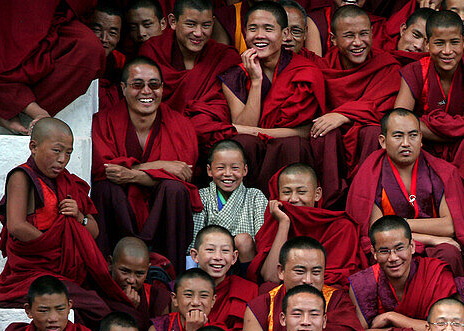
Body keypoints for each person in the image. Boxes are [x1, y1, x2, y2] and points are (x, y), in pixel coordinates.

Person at [0, 118, 124, 326]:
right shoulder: (22, 177)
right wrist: (58, 249)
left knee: (114, 303)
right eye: (56, 150)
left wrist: (80, 217)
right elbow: (16, 225)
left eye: (68, 153)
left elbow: (94, 231)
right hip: (34, 273)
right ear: (34, 146)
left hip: (66, 271)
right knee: (97, 309)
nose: (62, 159)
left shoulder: (68, 182)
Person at [395, 10, 464, 220]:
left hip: (462, 146)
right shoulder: (414, 71)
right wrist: (447, 131)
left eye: (454, 42)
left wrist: (436, 128)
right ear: (427, 44)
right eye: (439, 43)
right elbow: (399, 121)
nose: (447, 51)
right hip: (426, 147)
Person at [90, 56, 200, 268]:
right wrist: (164, 166)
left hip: (162, 211)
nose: (147, 91)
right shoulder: (104, 121)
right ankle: (108, 267)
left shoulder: (181, 126)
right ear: (123, 88)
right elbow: (105, 170)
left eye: (154, 85)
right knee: (105, 188)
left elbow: (183, 176)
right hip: (120, 207)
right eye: (137, 85)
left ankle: (169, 273)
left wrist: (132, 174)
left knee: (175, 190)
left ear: (162, 88)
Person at [346, 108, 464, 276]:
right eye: (398, 136)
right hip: (392, 248)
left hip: (431, 249)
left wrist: (397, 224)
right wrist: (432, 238)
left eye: (413, 135)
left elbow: (450, 226)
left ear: (421, 139)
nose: (406, 143)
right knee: (379, 256)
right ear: (383, 141)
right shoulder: (370, 174)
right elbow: (377, 230)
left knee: (449, 253)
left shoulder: (442, 172)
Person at [222, 3, 329, 195]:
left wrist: (258, 132)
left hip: (290, 151)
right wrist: (256, 81)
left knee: (293, 145)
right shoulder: (235, 76)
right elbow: (242, 132)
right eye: (253, 29)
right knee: (245, 144)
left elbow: (306, 132)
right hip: (254, 153)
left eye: (268, 29)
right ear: (245, 33)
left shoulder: (305, 71)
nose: (259, 35)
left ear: (285, 33)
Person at [0, 0, 104, 134]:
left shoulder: (71, 34)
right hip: (6, 25)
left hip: (53, 21)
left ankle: (4, 109)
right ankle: (34, 111)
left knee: (90, 49)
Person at [138, 0, 241, 153]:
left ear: (213, 23)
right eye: (191, 24)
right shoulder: (153, 52)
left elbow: (221, 108)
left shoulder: (224, 58)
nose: (199, 33)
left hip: (209, 140)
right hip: (161, 136)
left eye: (206, 25)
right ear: (173, 21)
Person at [349, 215, 458, 331]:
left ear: (412, 246)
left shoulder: (434, 274)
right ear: (374, 253)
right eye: (384, 251)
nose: (393, 258)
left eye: (399, 248)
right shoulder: (362, 284)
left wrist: (392, 318)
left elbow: (446, 330)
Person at [243, 236, 364, 331]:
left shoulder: (336, 300)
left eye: (316, 272)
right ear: (281, 271)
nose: (308, 280)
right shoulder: (262, 306)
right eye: (300, 271)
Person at [316, 6, 402, 179]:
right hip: (335, 143)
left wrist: (342, 115)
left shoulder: (387, 65)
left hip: (365, 136)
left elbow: (385, 110)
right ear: (333, 39)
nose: (358, 42)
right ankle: (329, 199)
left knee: (373, 131)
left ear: (371, 33)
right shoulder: (322, 70)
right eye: (349, 36)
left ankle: (367, 191)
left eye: (363, 34)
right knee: (323, 134)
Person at [252, 165, 365, 290]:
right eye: (286, 192)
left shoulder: (341, 227)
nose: (293, 199)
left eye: (301, 192)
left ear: (317, 194)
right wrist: (284, 224)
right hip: (286, 292)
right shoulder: (277, 222)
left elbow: (337, 279)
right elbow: (271, 277)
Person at [192, 140, 267, 264]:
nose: (228, 174)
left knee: (244, 240)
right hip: (212, 260)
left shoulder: (255, 196)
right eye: (221, 168)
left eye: (235, 168)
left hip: (245, 260)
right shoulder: (202, 196)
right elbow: (196, 239)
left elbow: (262, 239)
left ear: (245, 170)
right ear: (209, 170)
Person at [104, 238, 172, 331]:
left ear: (148, 269)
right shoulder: (98, 291)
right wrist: (126, 307)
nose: (131, 280)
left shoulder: (156, 296)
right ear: (110, 263)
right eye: (124, 271)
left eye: (139, 273)